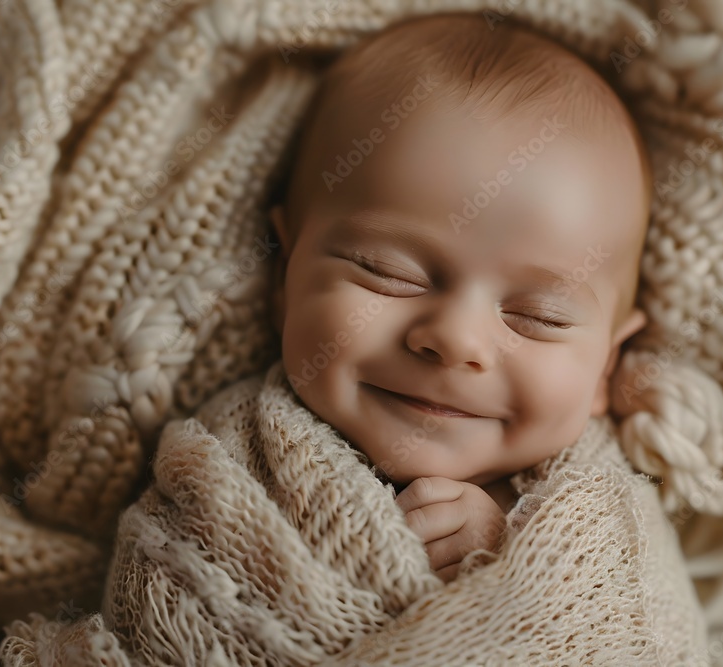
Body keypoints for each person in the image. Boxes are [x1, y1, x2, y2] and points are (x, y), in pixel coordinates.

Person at [268, 11, 653, 582]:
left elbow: (633, 632)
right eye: (388, 273)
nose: (456, 338)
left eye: (535, 317)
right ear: (283, 272)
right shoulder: (232, 451)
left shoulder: (596, 516)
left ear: (606, 368)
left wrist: (508, 564)